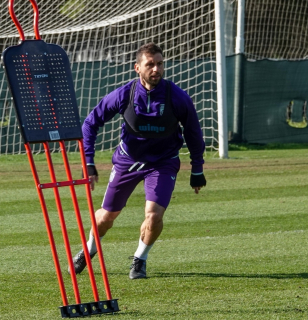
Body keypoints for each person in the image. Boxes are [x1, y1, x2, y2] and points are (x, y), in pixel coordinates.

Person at [70, 42, 206, 280]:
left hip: (163, 163)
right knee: (106, 216)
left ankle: (140, 259)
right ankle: (89, 250)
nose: (156, 69)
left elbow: (193, 133)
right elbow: (91, 123)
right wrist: (88, 162)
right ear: (137, 68)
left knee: (153, 216)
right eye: (150, 64)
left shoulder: (177, 97)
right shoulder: (125, 94)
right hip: (127, 161)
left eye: (160, 64)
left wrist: (197, 169)